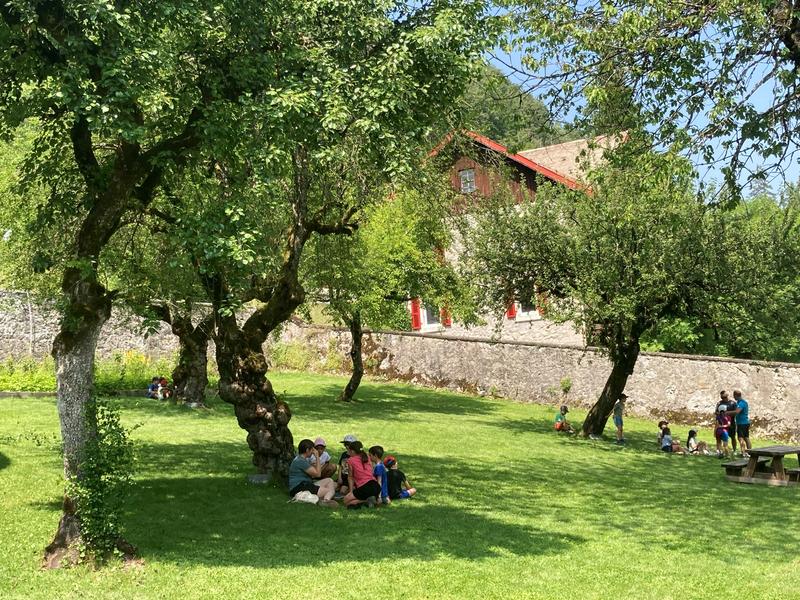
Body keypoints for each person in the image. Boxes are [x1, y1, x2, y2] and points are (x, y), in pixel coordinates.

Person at [288, 439, 338, 508]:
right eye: (312, 450)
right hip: (299, 487)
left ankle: (325, 499)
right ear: (307, 450)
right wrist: (317, 456)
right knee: (329, 491)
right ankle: (325, 500)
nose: (313, 452)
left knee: (329, 480)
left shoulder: (301, 459)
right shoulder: (300, 461)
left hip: (305, 484)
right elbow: (318, 474)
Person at [343, 441, 381, 508]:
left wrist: (351, 492)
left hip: (365, 487)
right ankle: (371, 500)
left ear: (352, 451)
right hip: (375, 486)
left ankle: (365, 501)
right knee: (351, 502)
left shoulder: (351, 460)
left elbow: (350, 477)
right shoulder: (367, 456)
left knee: (346, 501)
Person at [731, 390, 751, 457]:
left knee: (740, 438)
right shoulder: (742, 402)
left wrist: (727, 413)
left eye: (734, 396)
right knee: (746, 437)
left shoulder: (741, 403)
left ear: (736, 395)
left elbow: (737, 411)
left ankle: (744, 452)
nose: (734, 397)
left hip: (742, 423)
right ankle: (749, 452)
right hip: (745, 422)